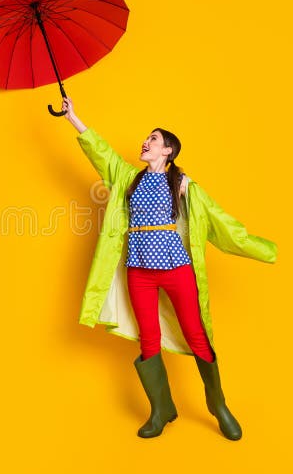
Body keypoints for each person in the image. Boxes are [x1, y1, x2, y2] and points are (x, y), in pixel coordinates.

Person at [59, 96, 278, 440]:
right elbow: (100, 152)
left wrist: (261, 248)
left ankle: (218, 406)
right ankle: (161, 409)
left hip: (177, 270)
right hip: (138, 272)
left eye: (154, 139)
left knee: (196, 334)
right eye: (147, 138)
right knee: (149, 340)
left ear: (168, 151)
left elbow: (222, 223)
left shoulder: (183, 184)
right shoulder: (128, 177)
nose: (145, 142)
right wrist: (74, 118)